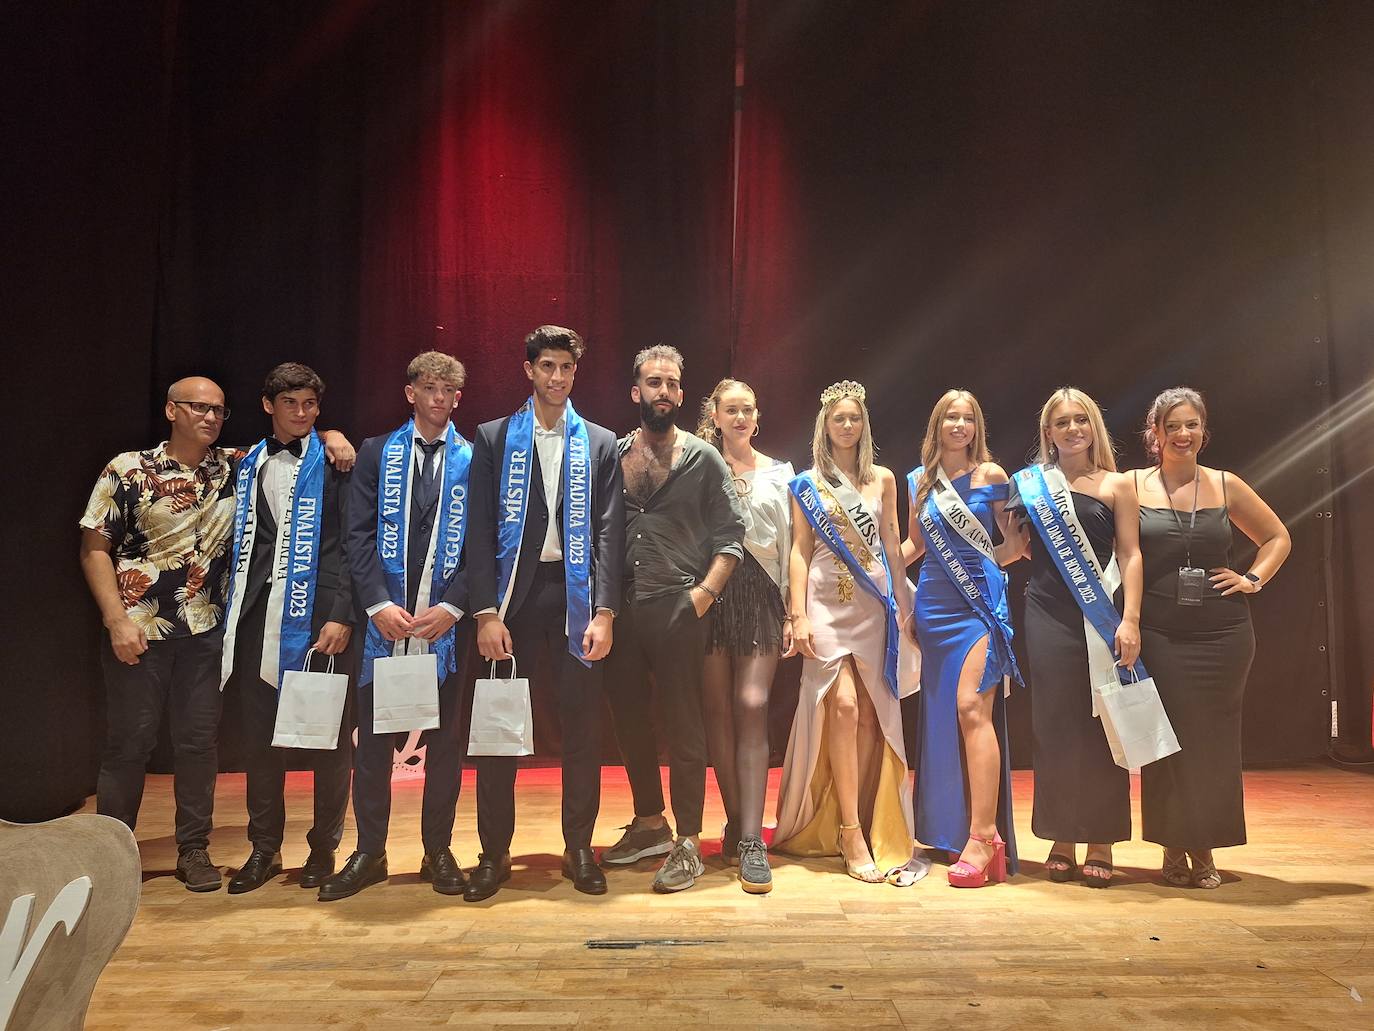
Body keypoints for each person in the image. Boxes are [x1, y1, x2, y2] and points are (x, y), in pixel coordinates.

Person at [80, 377, 354, 892]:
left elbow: (305, 443)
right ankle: (109, 861)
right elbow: (93, 547)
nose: (208, 417)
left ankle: (195, 850)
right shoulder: (128, 467)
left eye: (217, 411)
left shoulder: (230, 465)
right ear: (170, 409)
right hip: (139, 629)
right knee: (129, 745)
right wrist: (116, 620)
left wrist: (333, 433)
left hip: (210, 629)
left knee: (199, 745)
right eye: (198, 408)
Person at [466, 326, 624, 900]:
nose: (557, 378)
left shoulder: (600, 442)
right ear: (528, 370)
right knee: (500, 728)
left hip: (576, 595)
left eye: (567, 369)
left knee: (582, 727)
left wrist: (605, 611)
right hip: (511, 600)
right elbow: (477, 531)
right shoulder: (493, 437)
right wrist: (485, 613)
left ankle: (579, 846)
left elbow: (610, 532)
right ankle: (494, 851)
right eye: (548, 367)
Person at [321, 351, 474, 901]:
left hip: (443, 628)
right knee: (374, 743)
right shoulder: (374, 453)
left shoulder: (472, 458)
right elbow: (355, 536)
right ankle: (370, 851)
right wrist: (377, 605)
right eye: (430, 388)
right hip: (384, 624)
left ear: (458, 397)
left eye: (449, 390)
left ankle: (438, 850)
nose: (439, 398)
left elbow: (482, 546)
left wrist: (453, 607)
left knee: (446, 743)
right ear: (410, 392)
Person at [1129, 386, 1289, 889]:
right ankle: (1173, 847)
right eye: (1172, 425)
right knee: (1168, 742)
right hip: (1157, 632)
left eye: (1191, 425)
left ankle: (1204, 848)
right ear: (1154, 434)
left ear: (1204, 431)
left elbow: (1277, 537)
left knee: (1213, 744)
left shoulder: (1226, 483)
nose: (1183, 434)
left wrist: (1253, 579)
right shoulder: (1131, 484)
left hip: (1223, 633)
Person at [602, 345, 746, 893]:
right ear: (635, 392)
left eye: (671, 383)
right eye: (652, 382)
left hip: (680, 609)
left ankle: (688, 839)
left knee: (685, 726)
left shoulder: (703, 459)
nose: (662, 390)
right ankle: (648, 824)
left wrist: (702, 597)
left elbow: (732, 537)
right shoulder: (612, 455)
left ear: (682, 395)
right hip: (620, 611)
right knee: (630, 720)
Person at [773, 380, 919, 885]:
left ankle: (855, 819)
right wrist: (798, 614)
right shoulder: (807, 483)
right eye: (839, 418)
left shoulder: (882, 478)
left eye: (855, 417)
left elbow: (894, 548)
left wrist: (904, 602)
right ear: (825, 425)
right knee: (842, 706)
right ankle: (851, 831)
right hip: (822, 601)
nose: (848, 426)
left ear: (864, 424)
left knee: (868, 719)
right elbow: (797, 550)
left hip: (872, 605)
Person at [219, 363, 356, 894]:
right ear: (267, 406)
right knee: (260, 740)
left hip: (320, 617)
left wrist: (342, 613)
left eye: (311, 405)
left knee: (327, 739)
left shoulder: (337, 461)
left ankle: (323, 849)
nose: (302, 413)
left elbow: (352, 542)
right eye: (291, 404)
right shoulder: (245, 463)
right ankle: (263, 848)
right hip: (256, 617)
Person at [1005, 388, 1142, 888]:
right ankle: (1061, 837)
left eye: (1080, 420)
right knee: (1056, 723)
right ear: (1048, 432)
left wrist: (1129, 619)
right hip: (1047, 614)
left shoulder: (1117, 484)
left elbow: (1131, 554)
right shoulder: (1031, 485)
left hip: (1103, 613)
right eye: (1061, 423)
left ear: (1094, 428)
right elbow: (1016, 549)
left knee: (1104, 722)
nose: (1072, 430)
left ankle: (1102, 838)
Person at [904, 389, 1026, 888]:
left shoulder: (991, 477)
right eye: (950, 417)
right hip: (932, 606)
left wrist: (986, 568)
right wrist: (886, 581)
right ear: (936, 425)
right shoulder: (918, 480)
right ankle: (941, 830)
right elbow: (914, 544)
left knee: (971, 710)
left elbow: (1014, 542)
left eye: (967, 418)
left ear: (977, 427)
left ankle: (983, 835)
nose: (959, 425)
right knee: (939, 718)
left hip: (977, 608)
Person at [695, 378, 793, 894]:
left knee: (751, 703)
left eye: (747, 410)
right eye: (730, 410)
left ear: (757, 417)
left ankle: (753, 839)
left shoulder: (781, 472)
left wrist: (793, 612)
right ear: (714, 416)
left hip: (760, 595)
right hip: (710, 591)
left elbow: (794, 545)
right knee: (717, 713)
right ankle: (737, 825)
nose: (739, 418)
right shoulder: (696, 464)